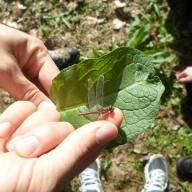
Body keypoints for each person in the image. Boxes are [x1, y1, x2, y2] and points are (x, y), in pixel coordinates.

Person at [0, 23, 123, 191]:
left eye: (109, 110)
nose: (110, 110)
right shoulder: (101, 110)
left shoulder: (104, 110)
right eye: (109, 109)